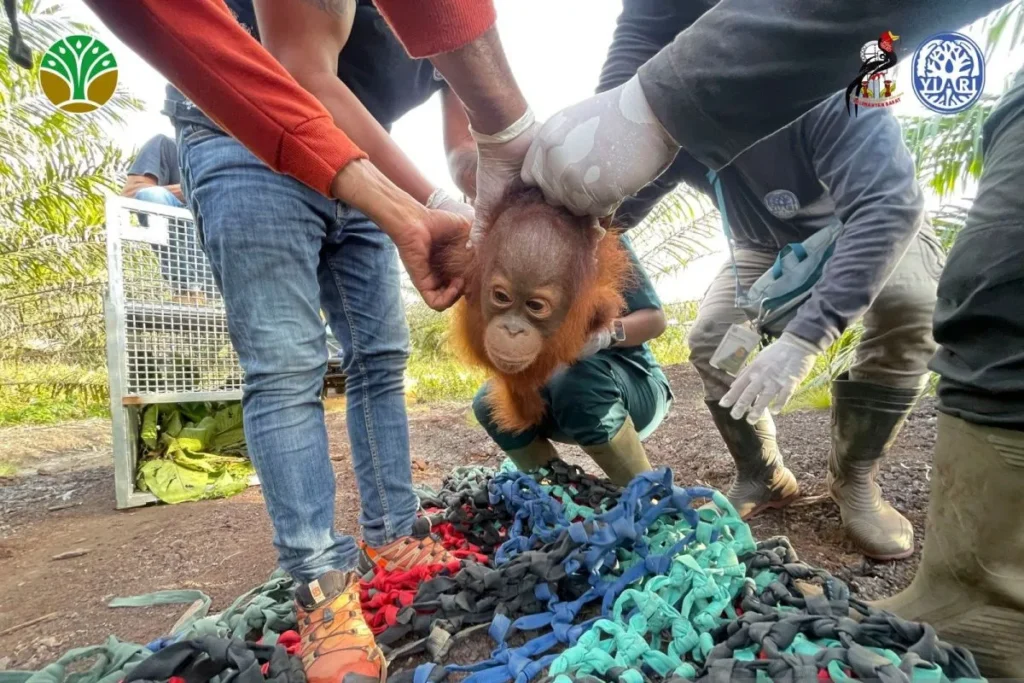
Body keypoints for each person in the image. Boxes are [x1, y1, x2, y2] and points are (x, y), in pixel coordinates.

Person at [164, 2, 489, 682]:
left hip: (357, 161)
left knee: (380, 357)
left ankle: (395, 533)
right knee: (287, 364)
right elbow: (303, 75)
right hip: (242, 134)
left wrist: (500, 197)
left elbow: (467, 141)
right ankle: (320, 586)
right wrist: (424, 197)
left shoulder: (459, 18)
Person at [590, 0, 943, 563]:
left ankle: (855, 476)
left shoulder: (831, 82)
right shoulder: (675, 117)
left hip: (860, 226)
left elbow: (887, 207)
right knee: (711, 338)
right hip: (766, 249)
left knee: (911, 303)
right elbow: (615, 207)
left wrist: (805, 340)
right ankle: (763, 473)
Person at [472, 234, 672, 486]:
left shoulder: (599, 238)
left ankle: (650, 500)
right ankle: (559, 495)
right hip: (556, 396)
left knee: (576, 381)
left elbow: (655, 321)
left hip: (632, 389)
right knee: (489, 401)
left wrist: (604, 335)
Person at [121, 134, 203, 303]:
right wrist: (194, 189)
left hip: (222, 240)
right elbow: (130, 194)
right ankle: (188, 290)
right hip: (186, 243)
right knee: (151, 194)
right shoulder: (165, 145)